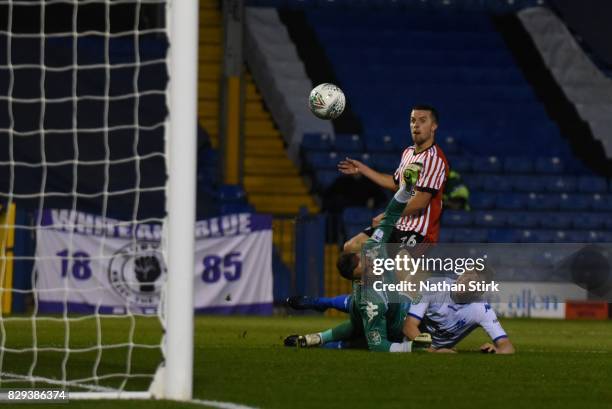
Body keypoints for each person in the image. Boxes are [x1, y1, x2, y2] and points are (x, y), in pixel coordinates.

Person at [284, 167, 432, 352]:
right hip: (397, 323)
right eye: (361, 264)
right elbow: (378, 346)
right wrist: (412, 347)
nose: (366, 260)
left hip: (395, 305)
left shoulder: (372, 249)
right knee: (359, 332)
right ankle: (323, 339)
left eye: (360, 257)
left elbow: (392, 213)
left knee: (351, 310)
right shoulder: (370, 302)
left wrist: (407, 188)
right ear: (357, 277)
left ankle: (317, 307)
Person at [338, 104, 449, 253]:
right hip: (395, 225)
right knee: (351, 248)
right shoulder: (408, 152)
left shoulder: (434, 159)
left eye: (422, 120)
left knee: (397, 268)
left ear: (433, 126)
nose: (416, 125)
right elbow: (396, 184)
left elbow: (420, 201)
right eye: (413, 120)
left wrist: (386, 217)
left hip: (419, 234)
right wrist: (362, 169)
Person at [404, 270, 515, 354]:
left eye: (471, 281)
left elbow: (507, 347)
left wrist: (496, 350)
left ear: (479, 291)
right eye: (465, 274)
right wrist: (433, 351)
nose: (463, 280)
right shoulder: (434, 286)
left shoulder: (482, 309)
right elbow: (409, 326)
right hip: (406, 340)